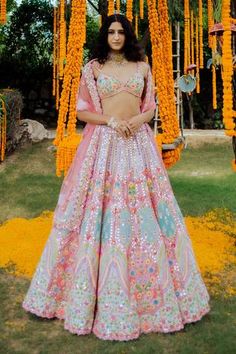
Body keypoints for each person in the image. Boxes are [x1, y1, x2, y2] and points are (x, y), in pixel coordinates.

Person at [22, 14, 210, 341]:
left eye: (121, 31)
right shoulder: (93, 68)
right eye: (111, 31)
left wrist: (137, 121)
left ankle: (157, 297)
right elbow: (81, 111)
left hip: (137, 143)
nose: (116, 36)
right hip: (105, 144)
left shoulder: (143, 67)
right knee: (98, 209)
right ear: (104, 35)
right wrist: (109, 121)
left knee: (148, 213)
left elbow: (151, 107)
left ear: (128, 35)